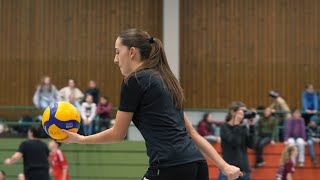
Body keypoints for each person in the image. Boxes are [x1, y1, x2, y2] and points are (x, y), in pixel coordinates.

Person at [59, 29, 242, 180]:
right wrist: (224, 166)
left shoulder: (134, 81)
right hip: (196, 164)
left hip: (169, 166)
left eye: (117, 51)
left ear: (131, 52)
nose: (115, 59)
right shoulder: (165, 80)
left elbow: (117, 134)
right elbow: (192, 132)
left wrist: (80, 139)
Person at [218, 101, 255, 180]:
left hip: (244, 171)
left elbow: (252, 145)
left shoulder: (243, 127)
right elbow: (235, 141)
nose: (244, 114)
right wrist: (237, 123)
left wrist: (252, 127)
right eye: (243, 111)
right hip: (228, 172)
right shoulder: (224, 127)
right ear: (233, 112)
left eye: (246, 111)